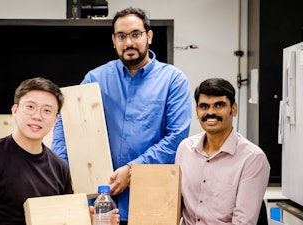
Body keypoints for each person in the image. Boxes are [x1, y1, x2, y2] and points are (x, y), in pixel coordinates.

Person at [51, 7, 192, 224]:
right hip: (100, 204)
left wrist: (132, 170)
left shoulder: (173, 80)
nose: (129, 43)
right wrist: (67, 171)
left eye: (136, 34)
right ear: (113, 40)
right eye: (121, 36)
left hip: (152, 200)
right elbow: (67, 125)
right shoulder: (95, 78)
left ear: (149, 36)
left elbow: (176, 139)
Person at [0, 77, 119, 225]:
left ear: (55, 119)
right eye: (30, 107)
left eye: (47, 110)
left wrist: (87, 220)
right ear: (15, 110)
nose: (37, 116)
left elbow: (63, 218)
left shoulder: (59, 167)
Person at [175, 78, 270, 225]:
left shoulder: (252, 158)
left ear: (234, 109)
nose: (211, 112)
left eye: (219, 105)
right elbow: (174, 206)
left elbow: (243, 222)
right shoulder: (185, 149)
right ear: (197, 111)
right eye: (204, 106)